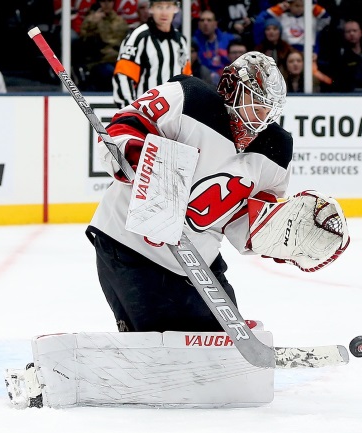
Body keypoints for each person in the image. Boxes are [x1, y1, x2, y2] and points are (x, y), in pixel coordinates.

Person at [87, 52, 291, 332]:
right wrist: (138, 157)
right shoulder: (188, 97)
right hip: (130, 247)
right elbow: (124, 127)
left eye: (268, 109)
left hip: (197, 263)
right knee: (155, 344)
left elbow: (246, 222)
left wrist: (282, 237)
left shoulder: (276, 150)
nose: (262, 117)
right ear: (231, 90)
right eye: (254, 104)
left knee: (223, 343)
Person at [112, 0, 190, 108]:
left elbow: (186, 80)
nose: (164, 13)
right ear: (151, 9)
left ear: (176, 9)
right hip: (144, 114)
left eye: (168, 7)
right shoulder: (139, 37)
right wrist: (130, 112)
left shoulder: (180, 41)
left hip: (174, 115)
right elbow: (123, 76)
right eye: (159, 7)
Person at [80, 0, 129, 91]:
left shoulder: (120, 21)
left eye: (109, 1)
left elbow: (125, 43)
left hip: (118, 59)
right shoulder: (91, 20)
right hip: (99, 60)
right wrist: (92, 24)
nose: (106, 4)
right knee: (109, 72)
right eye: (103, 1)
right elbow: (84, 41)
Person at [254, 0, 330, 52]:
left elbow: (327, 19)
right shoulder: (283, 17)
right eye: (296, 5)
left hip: (307, 51)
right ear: (289, 5)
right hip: (285, 50)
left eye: (302, 6)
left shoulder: (312, 18)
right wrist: (280, 7)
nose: (299, 8)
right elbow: (263, 18)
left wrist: (313, 6)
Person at [332, 19, 362, 93]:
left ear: (360, 33)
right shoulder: (341, 57)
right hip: (351, 95)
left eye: (354, 30)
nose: (351, 34)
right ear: (344, 35)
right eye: (348, 31)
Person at [192, 10, 239, 82]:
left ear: (215, 24)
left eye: (209, 20)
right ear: (199, 24)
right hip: (204, 78)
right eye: (202, 20)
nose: (205, 23)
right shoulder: (194, 42)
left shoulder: (228, 39)